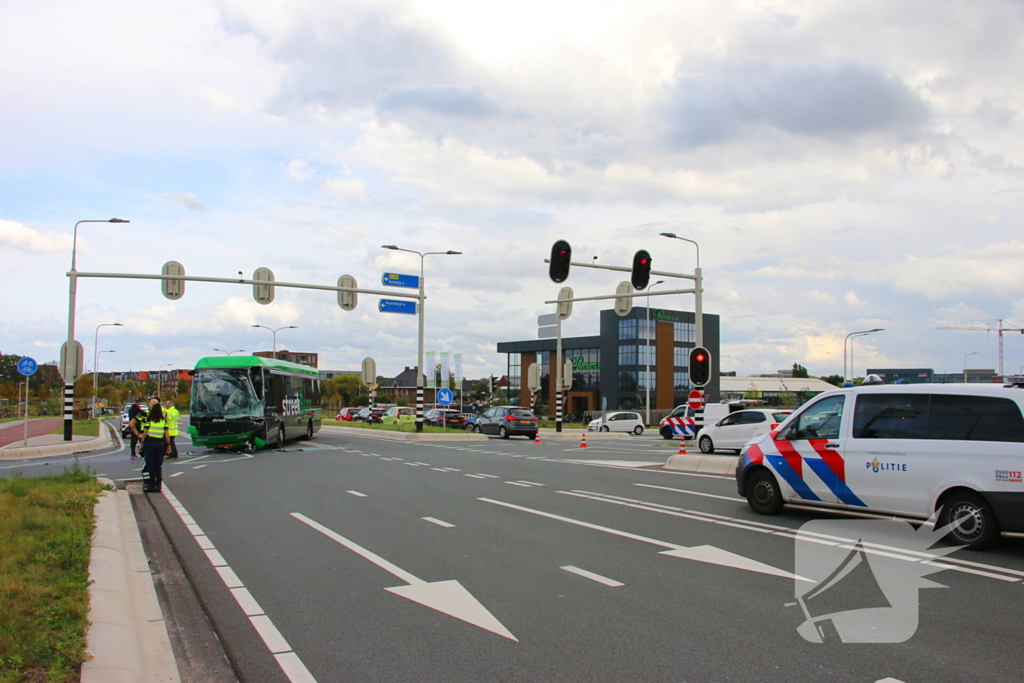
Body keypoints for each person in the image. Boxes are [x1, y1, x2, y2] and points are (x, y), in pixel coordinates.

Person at [141, 399, 171, 493]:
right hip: (160, 444)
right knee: (158, 465)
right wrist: (168, 446)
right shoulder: (163, 420)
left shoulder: (149, 420)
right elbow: (167, 435)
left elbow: (145, 433)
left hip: (150, 443)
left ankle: (151, 484)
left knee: (150, 464)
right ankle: (158, 486)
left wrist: (142, 444)